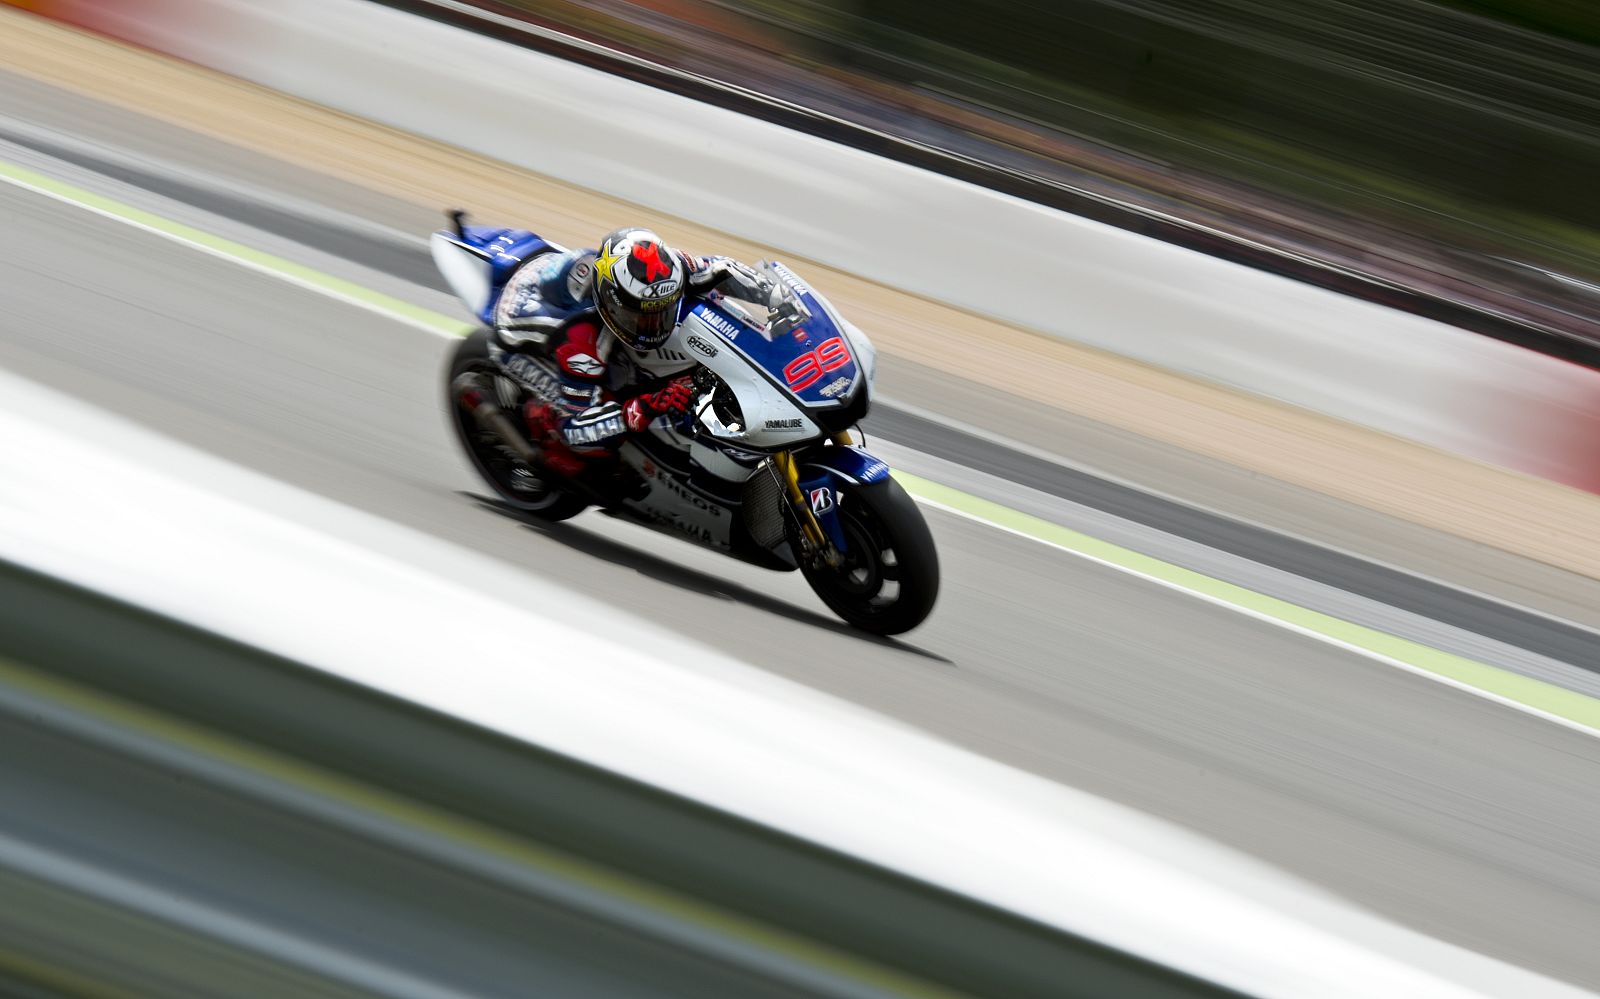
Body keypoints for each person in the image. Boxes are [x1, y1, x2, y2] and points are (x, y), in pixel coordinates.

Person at [485, 226, 775, 480]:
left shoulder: (665, 270)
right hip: (517, 339)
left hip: (561, 278)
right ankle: (544, 441)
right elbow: (576, 431)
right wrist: (645, 406)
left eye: (662, 311)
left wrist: (776, 298)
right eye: (640, 317)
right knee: (588, 447)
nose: (654, 325)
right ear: (611, 305)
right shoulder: (581, 342)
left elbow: (721, 269)